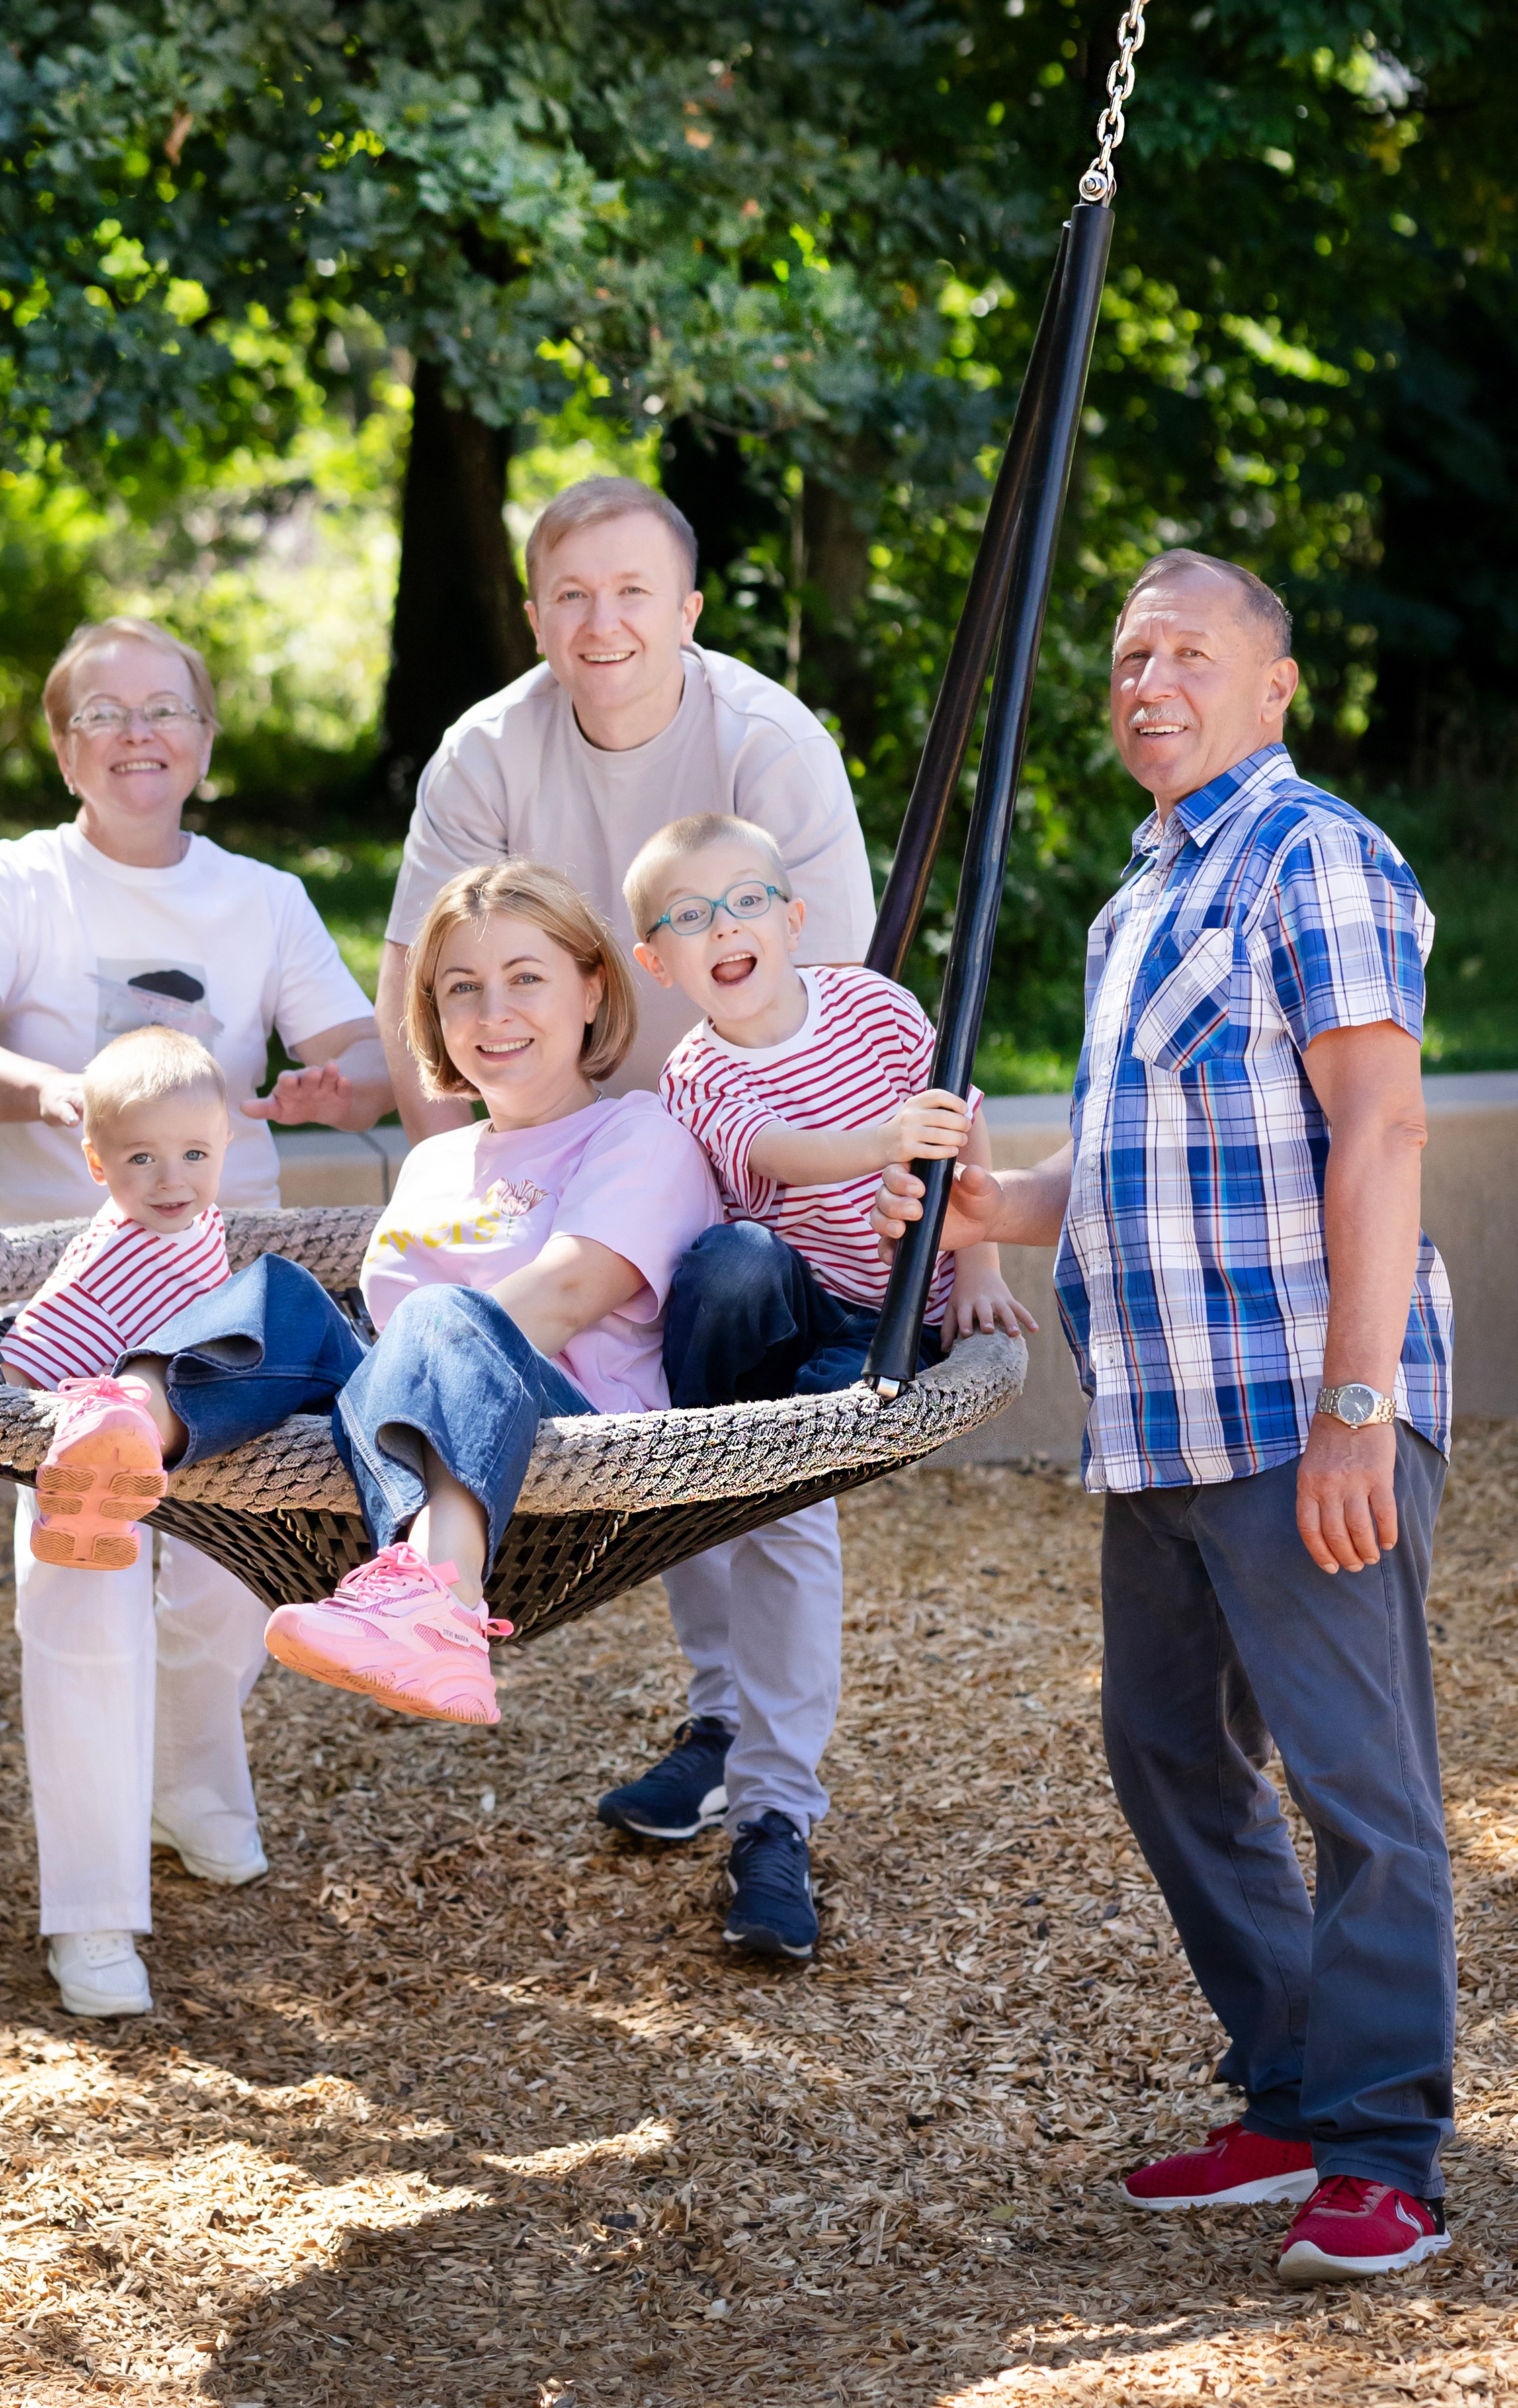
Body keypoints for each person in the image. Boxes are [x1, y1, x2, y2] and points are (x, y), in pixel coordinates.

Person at [871, 549, 1456, 2285]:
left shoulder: (1313, 856)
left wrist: (1356, 1407)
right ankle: (1293, 2088)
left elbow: (1381, 1129)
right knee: (1166, 1750)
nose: (1148, 683)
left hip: (1296, 1411)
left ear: (1275, 686)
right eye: (1129, 658)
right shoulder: (1139, 900)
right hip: (1161, 1425)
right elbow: (1133, 1155)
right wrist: (997, 1210)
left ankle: (1383, 2150)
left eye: (1189, 653)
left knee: (1360, 1786)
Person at [377, 474, 876, 1958]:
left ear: (689, 610)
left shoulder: (765, 742)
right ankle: (718, 1724)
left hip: (757, 1159)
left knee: (756, 1448)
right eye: (572, 595)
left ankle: (776, 1804)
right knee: (645, 1437)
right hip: (572, 1143)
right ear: (535, 615)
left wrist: (926, 1234)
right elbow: (422, 977)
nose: (603, 623)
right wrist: (464, 1181)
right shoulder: (489, 748)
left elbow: (837, 997)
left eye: (633, 592)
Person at [0, 614, 393, 2018]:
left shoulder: (262, 896)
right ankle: (92, 1910)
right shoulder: (15, 880)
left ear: (204, 739)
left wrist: (338, 1084)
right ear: (65, 748)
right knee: (86, 1572)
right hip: (61, 1288)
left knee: (233, 1578)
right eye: (105, 713)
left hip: (222, 1300)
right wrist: (54, 1090)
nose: (138, 734)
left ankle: (190, 1779)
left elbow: (360, 1053)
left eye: (165, 709)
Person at [115, 861, 721, 1739]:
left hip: (567, 1443)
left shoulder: (640, 1134)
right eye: (462, 988)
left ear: (592, 988)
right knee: (280, 1292)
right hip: (404, 1434)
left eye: (526, 978)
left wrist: (400, 1355)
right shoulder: (436, 1163)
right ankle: (126, 1429)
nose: (492, 1012)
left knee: (443, 1313)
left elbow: (563, 1296)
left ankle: (441, 1603)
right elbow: (384, 1334)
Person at [626, 811, 1035, 1405]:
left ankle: (801, 1431)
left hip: (903, 1311)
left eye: (747, 899)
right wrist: (887, 1139)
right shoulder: (694, 1074)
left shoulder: (874, 1005)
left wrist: (981, 1270)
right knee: (734, 1260)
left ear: (792, 923)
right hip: (787, 1312)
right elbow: (778, 1153)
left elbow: (960, 1120)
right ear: (657, 964)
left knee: (850, 1401)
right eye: (690, 915)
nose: (723, 926)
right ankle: (696, 1434)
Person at [1, 1027, 233, 1571]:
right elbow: (39, 1337)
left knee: (215, 1573)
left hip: (192, 1431)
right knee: (93, 1583)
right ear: (98, 1163)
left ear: (225, 1145)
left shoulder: (206, 1223)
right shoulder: (106, 1259)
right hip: (104, 1439)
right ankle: (84, 1519)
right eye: (142, 1158)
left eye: (194, 1154)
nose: (172, 1180)